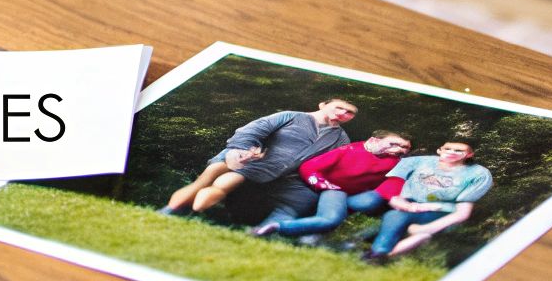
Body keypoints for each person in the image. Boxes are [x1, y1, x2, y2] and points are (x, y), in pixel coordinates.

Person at [161, 98, 358, 216]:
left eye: (349, 113)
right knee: (207, 178)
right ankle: (170, 211)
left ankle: (190, 211)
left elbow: (329, 165)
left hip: (266, 168)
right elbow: (252, 130)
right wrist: (242, 150)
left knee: (225, 182)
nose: (343, 113)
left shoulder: (341, 139)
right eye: (339, 107)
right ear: (323, 104)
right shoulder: (291, 116)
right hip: (241, 153)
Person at [248, 131, 413, 240]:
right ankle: (268, 229)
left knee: (361, 204)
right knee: (327, 218)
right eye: (394, 144)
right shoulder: (350, 149)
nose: (400, 150)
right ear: (374, 140)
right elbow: (310, 167)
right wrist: (323, 184)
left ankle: (281, 233)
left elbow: (395, 183)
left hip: (353, 198)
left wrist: (390, 197)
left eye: (405, 148)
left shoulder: (399, 164)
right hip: (332, 190)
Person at [361, 140, 493, 263]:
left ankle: (378, 256)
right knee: (394, 216)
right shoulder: (420, 162)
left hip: (441, 213)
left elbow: (463, 213)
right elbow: (393, 185)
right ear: (439, 150)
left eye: (459, 151)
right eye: (448, 149)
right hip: (409, 206)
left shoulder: (478, 173)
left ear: (469, 154)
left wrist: (427, 228)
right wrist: (398, 200)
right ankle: (378, 253)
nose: (452, 152)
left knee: (417, 232)